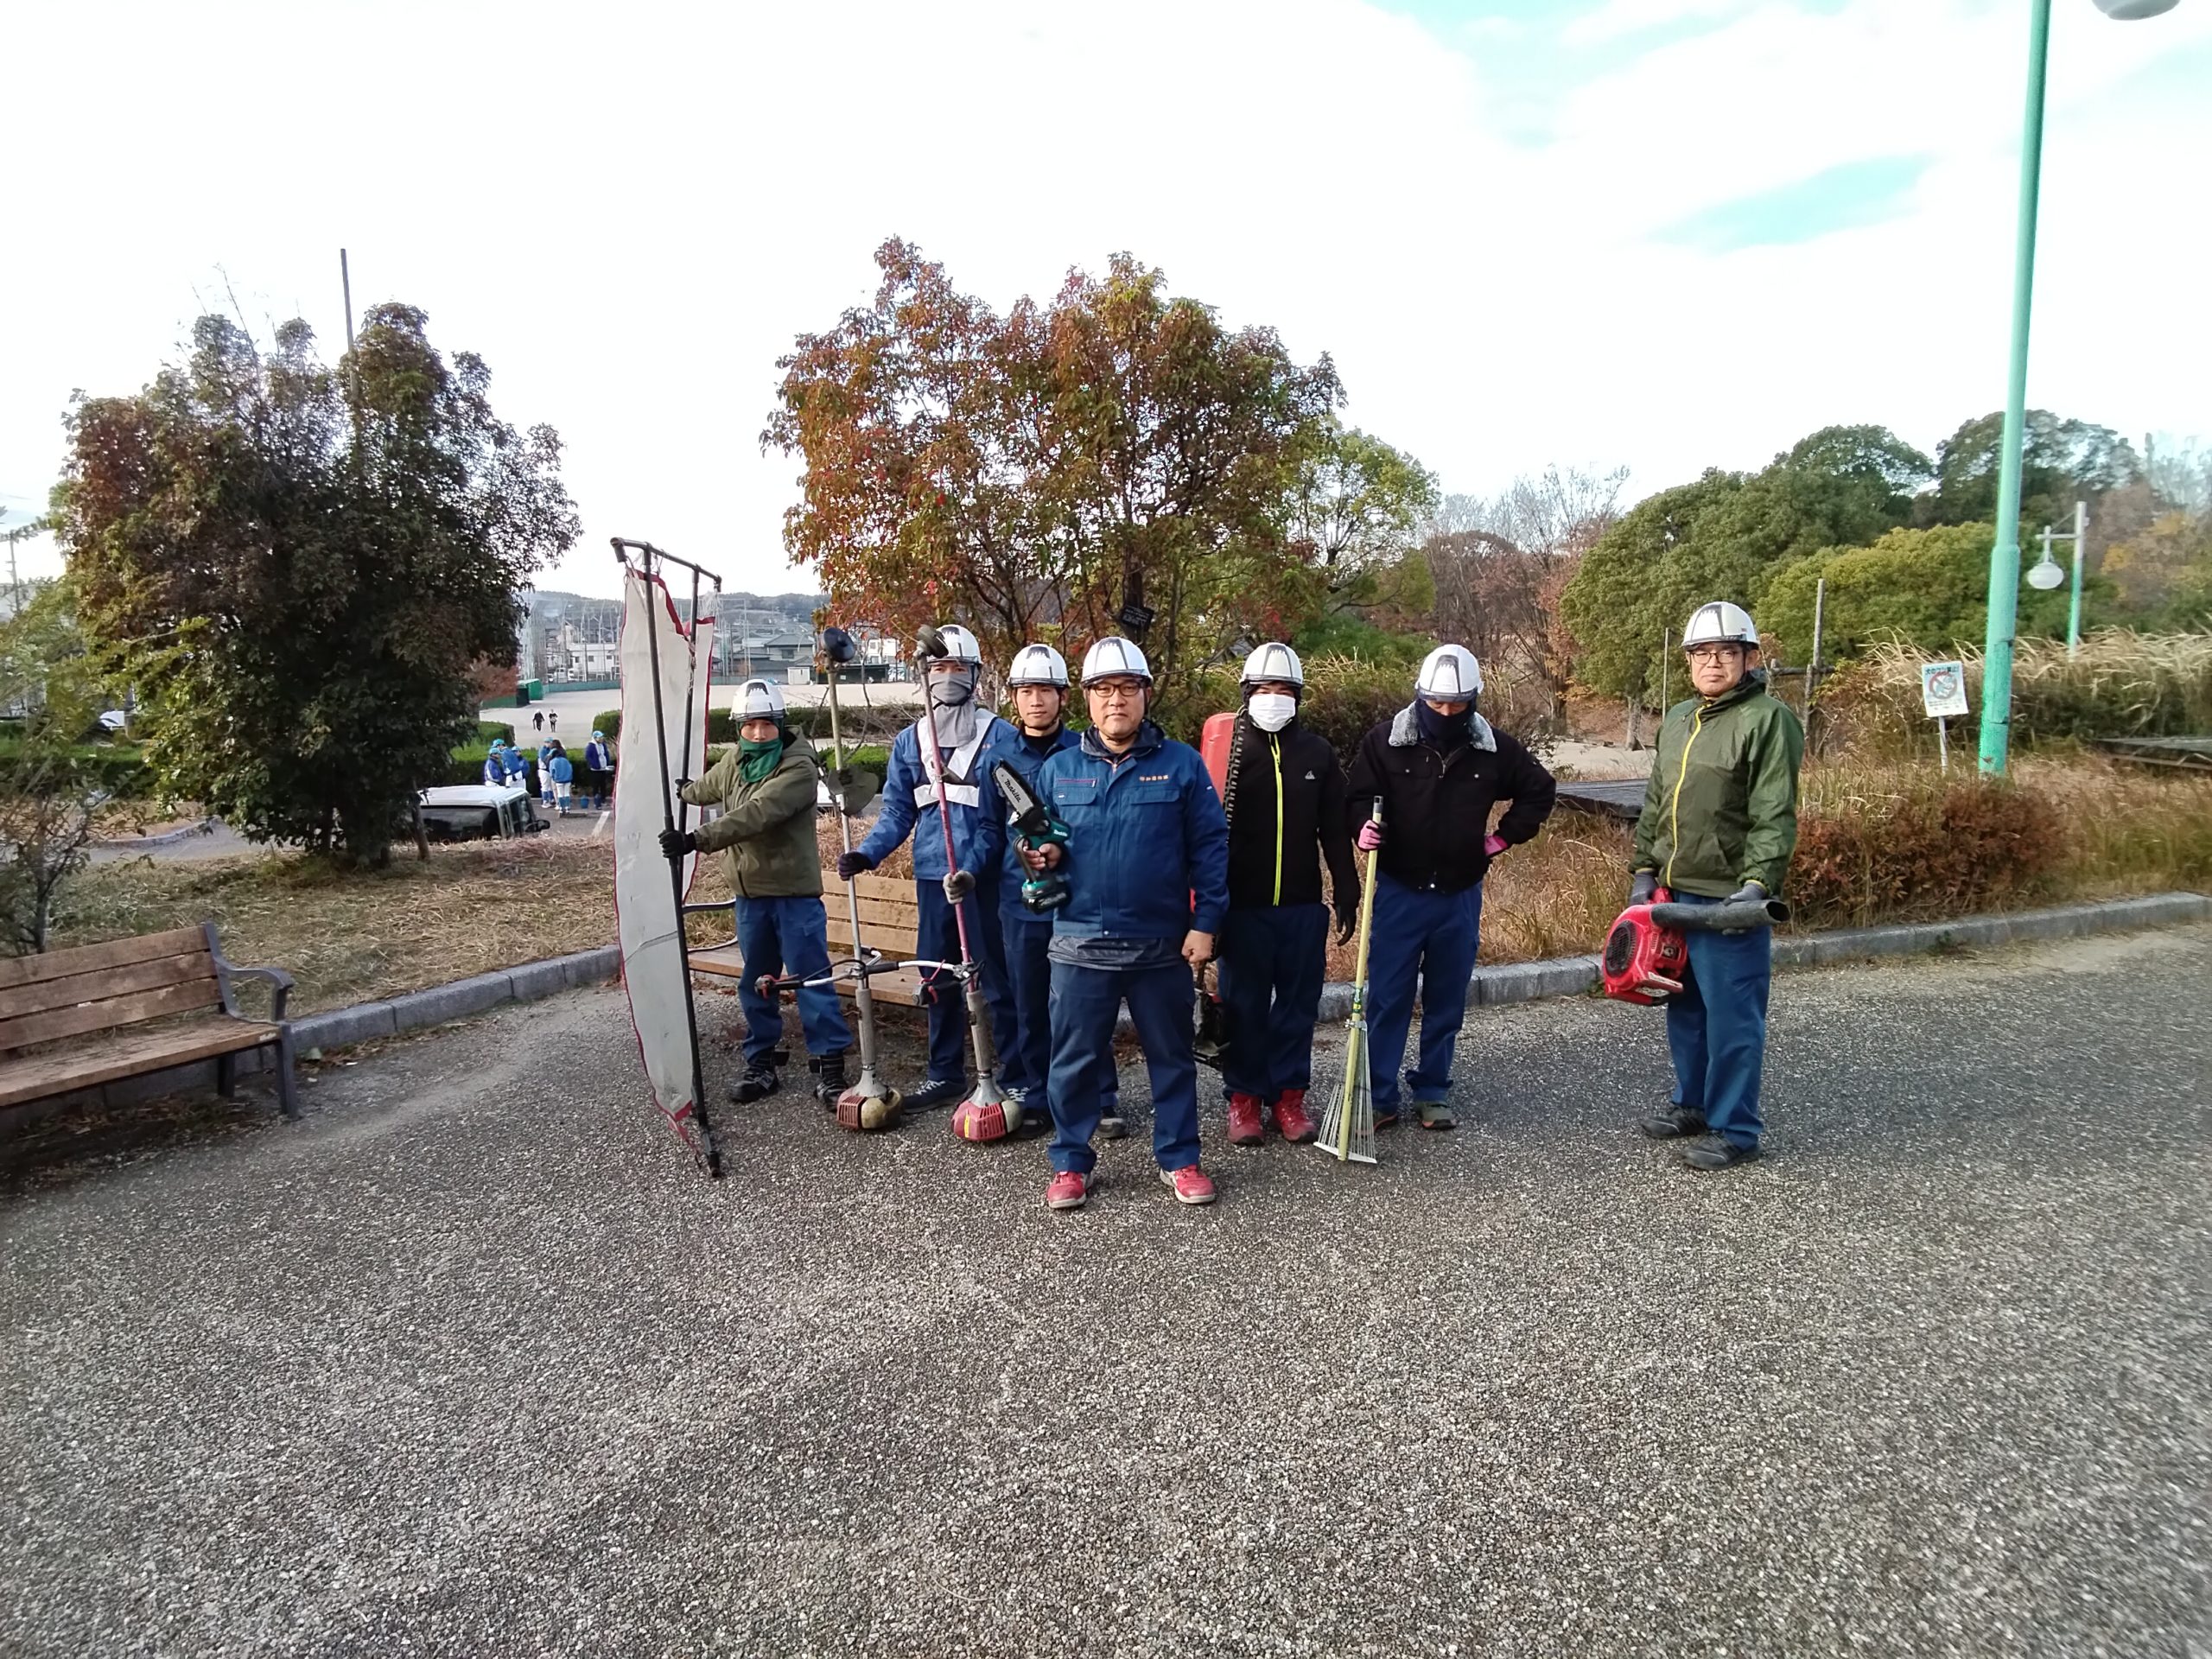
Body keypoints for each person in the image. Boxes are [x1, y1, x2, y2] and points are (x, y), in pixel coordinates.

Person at [1026, 637, 1229, 1211]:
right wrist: (1040, 856)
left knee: (1172, 1058)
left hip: (1160, 945)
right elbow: (1037, 842)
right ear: (1087, 700)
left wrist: (1206, 923)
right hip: (1078, 943)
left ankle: (1180, 1158)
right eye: (1103, 689)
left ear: (1145, 694)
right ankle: (1070, 1162)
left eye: (1127, 688)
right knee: (1072, 1063)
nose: (1116, 700)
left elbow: (1211, 847)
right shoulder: (1059, 769)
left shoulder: (1181, 765)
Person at [1344, 645, 1557, 1131]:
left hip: (1459, 894)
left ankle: (1433, 1089)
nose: (1445, 713)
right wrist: (1361, 827)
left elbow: (1539, 790)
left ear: (1473, 700)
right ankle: (1379, 1096)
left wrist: (1501, 839)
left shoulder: (1493, 749)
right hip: (1399, 889)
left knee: (1446, 997)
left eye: (1457, 704)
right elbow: (1356, 797)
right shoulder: (1385, 742)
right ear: (1420, 696)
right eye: (1436, 703)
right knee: (1389, 996)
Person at [1630, 601, 1804, 1171]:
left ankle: (1736, 1129)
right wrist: (1644, 869)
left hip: (1729, 897)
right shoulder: (1680, 717)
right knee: (1685, 1009)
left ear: (1749, 658)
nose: (1713, 662)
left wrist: (1757, 884)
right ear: (1688, 661)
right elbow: (1657, 800)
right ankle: (1694, 1105)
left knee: (1733, 1019)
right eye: (1702, 653)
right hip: (1674, 894)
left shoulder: (1768, 719)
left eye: (1727, 652)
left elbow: (1774, 810)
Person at [837, 624, 1019, 1115]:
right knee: (937, 977)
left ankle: (1016, 1073)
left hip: (983, 881)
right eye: (938, 667)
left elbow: (1004, 818)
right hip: (933, 877)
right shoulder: (910, 741)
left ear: (975, 675)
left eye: (957, 667)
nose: (947, 676)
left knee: (993, 977)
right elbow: (897, 812)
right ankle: (944, 1072)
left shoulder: (1000, 737)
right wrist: (868, 853)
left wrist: (975, 868)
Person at [660, 678, 853, 1103]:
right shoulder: (736, 760)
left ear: (780, 724)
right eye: (750, 725)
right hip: (750, 897)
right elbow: (709, 787)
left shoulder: (798, 768)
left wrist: (696, 839)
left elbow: (757, 813)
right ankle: (761, 1062)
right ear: (739, 728)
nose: (759, 733)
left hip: (793, 895)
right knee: (757, 982)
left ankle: (831, 1067)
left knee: (811, 980)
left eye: (767, 724)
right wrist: (685, 790)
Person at [969, 644, 1124, 1141]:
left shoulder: (1086, 751)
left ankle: (1099, 1096)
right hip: (1019, 902)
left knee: (1086, 1003)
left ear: (1063, 696)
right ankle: (1039, 1095)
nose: (1036, 700)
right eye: (1026, 691)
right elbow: (988, 829)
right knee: (1029, 1003)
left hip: (1077, 902)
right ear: (1014, 698)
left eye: (1046, 690)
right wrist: (969, 871)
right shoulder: (997, 760)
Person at [1215, 643, 1360, 1148]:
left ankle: (1289, 1096)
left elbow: (1333, 828)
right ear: (1246, 693)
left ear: (1298, 695)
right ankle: (1244, 1098)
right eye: (1263, 689)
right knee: (1244, 1006)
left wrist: (1346, 888)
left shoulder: (1317, 753)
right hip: (1242, 906)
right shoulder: (1230, 751)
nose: (1273, 697)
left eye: (1284, 689)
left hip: (1301, 905)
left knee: (1298, 1007)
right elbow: (1203, 831)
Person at [584, 729, 616, 810]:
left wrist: (607, 763)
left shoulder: (603, 745)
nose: (602, 739)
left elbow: (606, 754)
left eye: (602, 737)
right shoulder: (591, 746)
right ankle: (597, 802)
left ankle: (603, 800)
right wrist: (595, 765)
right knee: (596, 786)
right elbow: (588, 757)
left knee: (603, 785)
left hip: (603, 768)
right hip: (595, 770)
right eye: (600, 737)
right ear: (595, 738)